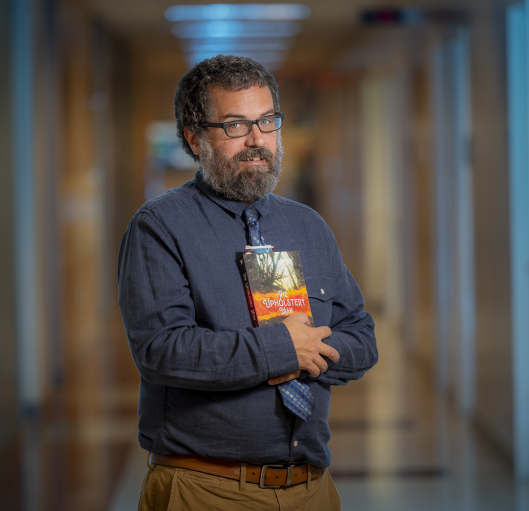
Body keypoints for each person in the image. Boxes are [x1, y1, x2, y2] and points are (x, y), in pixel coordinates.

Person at [117, 55, 378, 511]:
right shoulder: (159, 227)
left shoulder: (308, 226)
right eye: (235, 125)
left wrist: (304, 355)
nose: (258, 140)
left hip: (312, 488)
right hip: (204, 490)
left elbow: (362, 337)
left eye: (267, 121)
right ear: (195, 138)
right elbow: (161, 351)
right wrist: (280, 350)